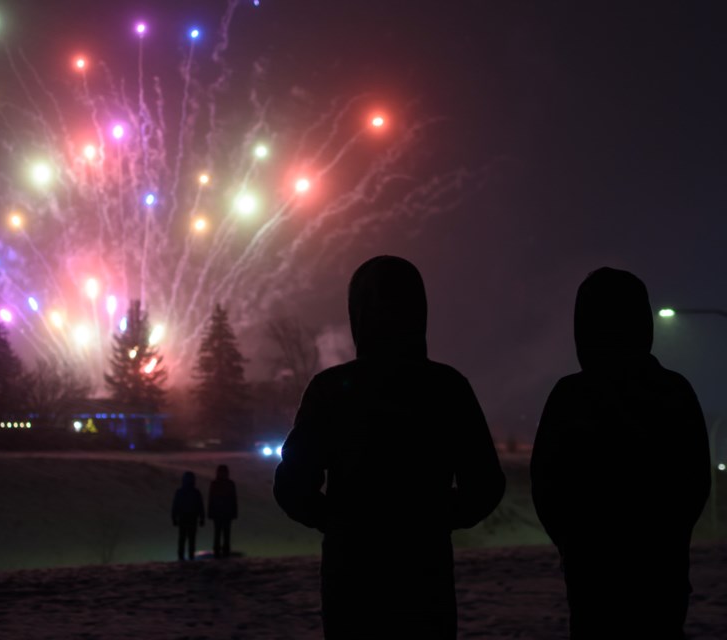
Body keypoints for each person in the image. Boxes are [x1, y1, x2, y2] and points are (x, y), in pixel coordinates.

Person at [274, 255, 505, 639]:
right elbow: (486, 485)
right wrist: (435, 516)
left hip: (352, 579)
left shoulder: (331, 390)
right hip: (423, 577)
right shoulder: (447, 388)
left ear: (357, 314)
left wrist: (340, 521)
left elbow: (292, 487)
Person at [531, 267, 711, 639]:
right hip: (661, 571)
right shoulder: (674, 391)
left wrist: (576, 544)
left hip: (593, 574)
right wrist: (666, 537)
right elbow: (695, 482)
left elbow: (546, 485)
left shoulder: (571, 396)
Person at [172, 471, 205, 561]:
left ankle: (185, 557)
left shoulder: (184, 492)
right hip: (188, 518)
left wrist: (174, 517)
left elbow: (200, 506)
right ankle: (186, 557)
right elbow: (176, 505)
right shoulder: (193, 492)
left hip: (189, 518)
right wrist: (202, 518)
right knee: (187, 539)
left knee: (187, 539)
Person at [208, 464, 238, 558]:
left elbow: (211, 499)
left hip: (221, 513)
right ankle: (223, 553)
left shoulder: (216, 484)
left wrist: (210, 512)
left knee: (220, 534)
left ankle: (219, 553)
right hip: (225, 513)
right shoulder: (229, 484)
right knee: (224, 534)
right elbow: (233, 499)